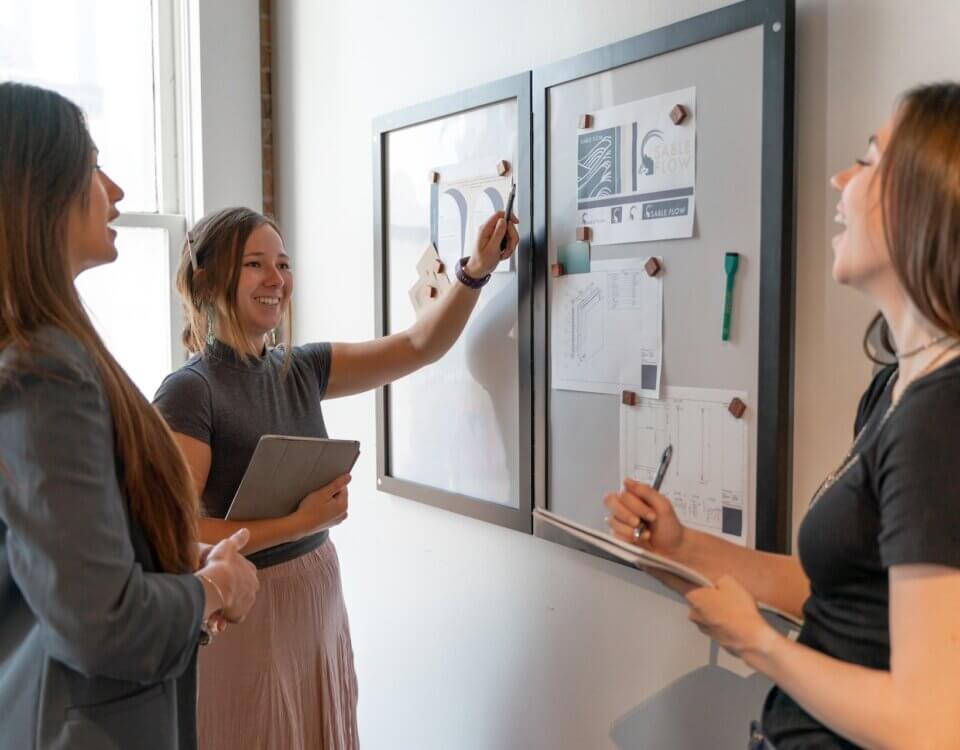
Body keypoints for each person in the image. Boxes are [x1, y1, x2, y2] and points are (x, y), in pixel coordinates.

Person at [604, 81, 960, 750]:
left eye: (871, 158)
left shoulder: (942, 419)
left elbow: (933, 727)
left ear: (929, 199)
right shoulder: (895, 390)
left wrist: (757, 643)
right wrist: (680, 549)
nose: (839, 177)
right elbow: (837, 594)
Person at [153, 205, 518, 748]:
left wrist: (476, 272)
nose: (277, 279)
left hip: (316, 594)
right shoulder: (191, 391)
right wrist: (296, 523)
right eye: (256, 264)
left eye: (282, 262)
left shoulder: (299, 367)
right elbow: (175, 533)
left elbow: (420, 345)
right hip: (245, 607)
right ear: (208, 280)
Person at [0, 82, 260, 750]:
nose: (113, 191)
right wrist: (211, 588)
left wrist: (182, 559)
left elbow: (54, 558)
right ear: (39, 191)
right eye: (92, 168)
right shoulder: (45, 372)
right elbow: (99, 620)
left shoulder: (44, 354)